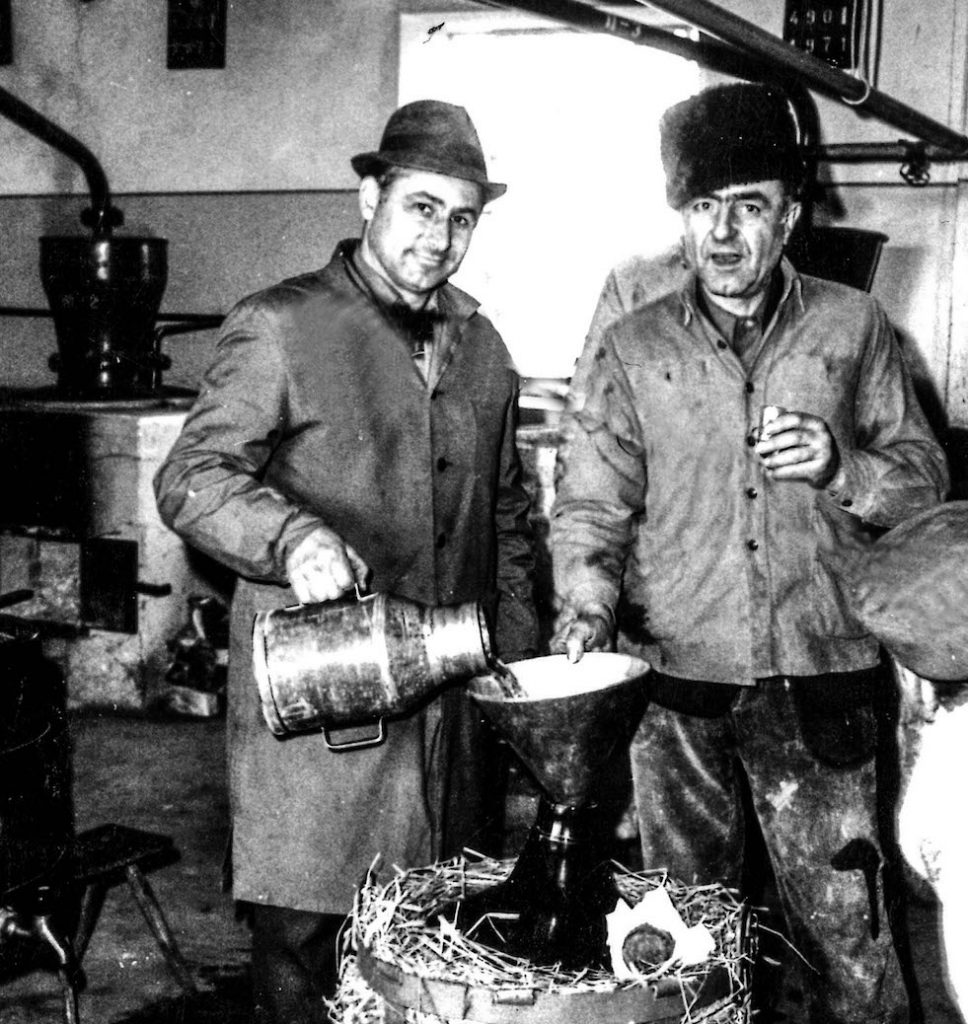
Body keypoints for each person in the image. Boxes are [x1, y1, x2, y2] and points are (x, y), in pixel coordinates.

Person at [549, 81, 949, 1023]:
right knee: (682, 941)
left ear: (791, 216)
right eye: (703, 208)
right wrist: (586, 604)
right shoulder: (632, 345)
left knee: (849, 936)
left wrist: (844, 467)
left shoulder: (853, 326)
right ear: (680, 217)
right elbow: (591, 504)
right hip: (675, 683)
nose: (724, 234)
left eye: (750, 207)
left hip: (822, 674)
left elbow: (926, 484)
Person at [154, 99, 538, 1024]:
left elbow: (509, 518)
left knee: (433, 939)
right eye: (421, 207)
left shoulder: (483, 349)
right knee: (305, 937)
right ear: (370, 197)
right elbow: (191, 476)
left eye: (462, 218)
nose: (440, 237)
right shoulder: (283, 325)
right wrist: (292, 537)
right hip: (322, 703)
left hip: (449, 710)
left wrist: (520, 666)